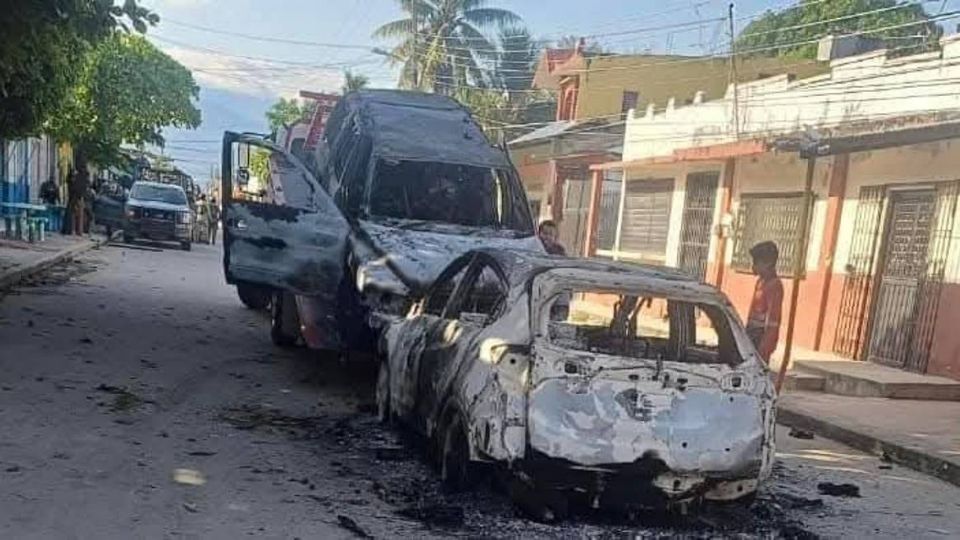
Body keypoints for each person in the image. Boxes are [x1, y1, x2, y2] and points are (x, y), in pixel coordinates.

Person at [746, 241, 784, 364]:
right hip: (751, 336)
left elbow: (773, 322)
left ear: (768, 263)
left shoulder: (775, 285)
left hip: (760, 339)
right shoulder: (760, 282)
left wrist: (764, 351)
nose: (753, 266)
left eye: (756, 262)